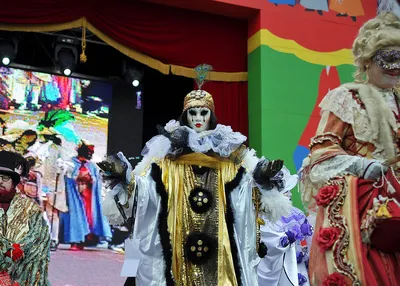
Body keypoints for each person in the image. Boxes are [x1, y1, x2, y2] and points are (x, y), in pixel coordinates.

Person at [100, 64, 296, 285]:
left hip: (221, 253)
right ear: (186, 116)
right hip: (176, 242)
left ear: (211, 116)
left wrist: (262, 177)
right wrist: (125, 177)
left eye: (203, 112)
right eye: (192, 113)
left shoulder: (228, 156)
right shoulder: (167, 156)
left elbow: (246, 190)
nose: (198, 118)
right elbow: (146, 188)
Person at [300, 12, 400, 286]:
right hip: (360, 208)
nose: (395, 67)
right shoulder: (346, 98)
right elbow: (322, 152)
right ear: (367, 61)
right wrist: (363, 165)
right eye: (387, 58)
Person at [0, 151, 50, 285]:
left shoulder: (30, 209)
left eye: (5, 178)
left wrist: (20, 248)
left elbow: (40, 242)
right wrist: (6, 249)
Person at [60, 140, 111, 250]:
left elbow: (96, 179)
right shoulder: (71, 163)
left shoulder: (91, 165)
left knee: (88, 217)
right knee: (75, 217)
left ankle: (84, 240)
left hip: (88, 197)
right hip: (75, 196)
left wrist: (90, 178)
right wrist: (77, 177)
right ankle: (75, 241)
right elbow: (67, 177)